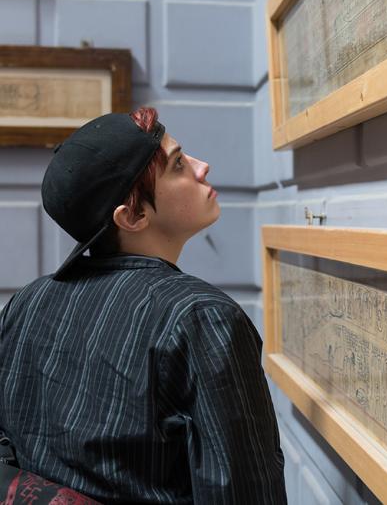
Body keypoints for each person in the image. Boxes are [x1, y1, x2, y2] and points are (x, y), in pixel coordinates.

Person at [0, 108, 287, 504]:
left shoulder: (28, 302)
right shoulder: (202, 320)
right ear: (132, 215)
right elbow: (243, 493)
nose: (203, 168)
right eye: (178, 165)